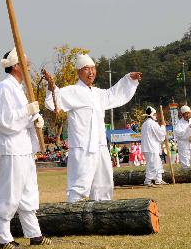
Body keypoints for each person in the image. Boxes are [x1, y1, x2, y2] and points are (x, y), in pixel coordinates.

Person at [43, 53, 141, 202]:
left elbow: (113, 94)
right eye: (86, 69)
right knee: (79, 186)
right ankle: (74, 217)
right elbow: (53, 101)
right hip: (82, 147)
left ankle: (101, 219)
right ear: (78, 72)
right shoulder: (71, 91)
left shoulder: (97, 93)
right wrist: (51, 88)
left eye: (93, 68)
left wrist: (128, 79)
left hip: (100, 146)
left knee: (104, 185)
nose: (91, 72)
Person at [0, 48, 50, 249]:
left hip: (23, 149)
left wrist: (35, 121)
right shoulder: (3, 88)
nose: (29, 66)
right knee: (8, 194)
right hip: (9, 149)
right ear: (16, 66)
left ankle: (34, 234)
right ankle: (3, 238)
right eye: (26, 62)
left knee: (28, 192)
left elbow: (22, 118)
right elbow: (3, 121)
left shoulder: (19, 89)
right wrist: (27, 111)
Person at [140, 106, 167, 186]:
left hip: (149, 147)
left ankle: (159, 179)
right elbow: (161, 134)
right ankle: (148, 181)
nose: (156, 115)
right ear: (152, 114)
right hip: (151, 147)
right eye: (155, 114)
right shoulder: (152, 123)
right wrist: (163, 126)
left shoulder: (145, 123)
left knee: (157, 163)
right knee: (153, 164)